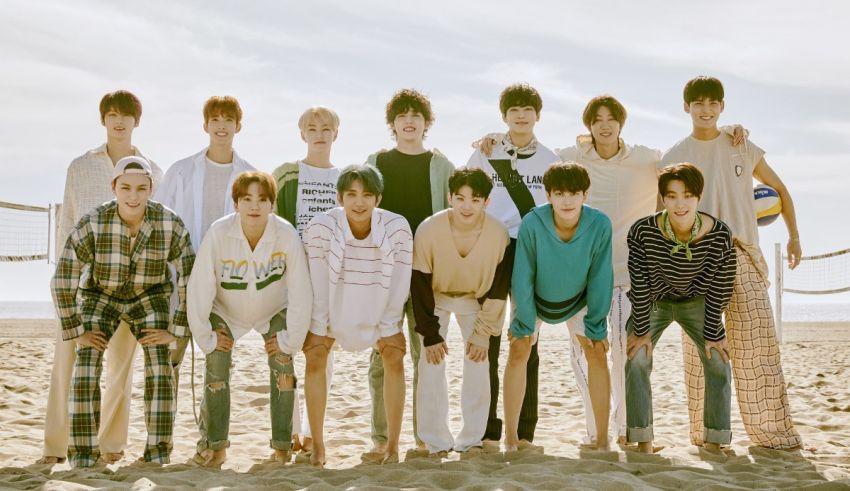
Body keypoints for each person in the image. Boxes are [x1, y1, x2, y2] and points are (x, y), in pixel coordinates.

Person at [475, 95, 745, 447]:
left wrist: (719, 130)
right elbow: (526, 144)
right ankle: (590, 432)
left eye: (611, 119)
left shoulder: (646, 159)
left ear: (621, 123)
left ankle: (621, 430)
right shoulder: (568, 159)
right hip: (567, 276)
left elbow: (686, 159)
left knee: (619, 351)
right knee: (574, 359)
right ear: (588, 125)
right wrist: (495, 139)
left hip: (622, 272)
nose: (604, 125)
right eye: (597, 119)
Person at [662, 76, 803, 449]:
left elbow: (782, 190)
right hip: (694, 257)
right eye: (698, 103)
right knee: (700, 352)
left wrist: (794, 235)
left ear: (722, 107)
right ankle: (709, 436)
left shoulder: (740, 144)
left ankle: (774, 436)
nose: (706, 110)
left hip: (741, 251)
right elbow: (661, 213)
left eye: (713, 103)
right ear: (686, 108)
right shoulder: (675, 154)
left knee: (758, 345)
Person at [40, 90, 164, 465]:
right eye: (112, 114)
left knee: (120, 369)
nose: (119, 121)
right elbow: (66, 224)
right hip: (84, 282)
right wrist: (67, 281)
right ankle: (56, 447)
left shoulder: (152, 169)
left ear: (136, 121)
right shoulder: (80, 165)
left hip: (130, 284)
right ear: (104, 120)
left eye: (126, 115)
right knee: (68, 363)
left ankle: (111, 445)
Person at [51, 156, 194, 467]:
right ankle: (84, 456)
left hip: (149, 295)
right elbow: (63, 277)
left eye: (142, 189)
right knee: (86, 365)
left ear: (151, 190)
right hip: (101, 295)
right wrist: (77, 330)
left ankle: (157, 453)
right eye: (126, 188)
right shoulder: (93, 221)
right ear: (114, 187)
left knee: (160, 362)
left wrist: (177, 328)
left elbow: (189, 279)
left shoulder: (170, 223)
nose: (134, 196)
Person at [187, 171, 312, 468]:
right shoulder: (219, 232)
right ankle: (215, 446)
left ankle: (282, 446)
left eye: (262, 199)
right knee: (217, 366)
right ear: (236, 204)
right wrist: (206, 336)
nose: (254, 206)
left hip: (272, 309)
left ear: (272, 205)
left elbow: (300, 291)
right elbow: (200, 286)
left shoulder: (286, 234)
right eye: (247, 199)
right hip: (226, 310)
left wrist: (289, 340)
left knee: (284, 367)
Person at [466, 83, 559, 450]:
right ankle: (486, 430)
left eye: (528, 109)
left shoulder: (551, 158)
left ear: (537, 114)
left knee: (526, 342)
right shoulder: (486, 152)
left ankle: (523, 433)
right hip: (491, 248)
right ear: (504, 115)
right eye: (514, 110)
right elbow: (466, 195)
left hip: (531, 252)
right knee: (485, 339)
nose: (521, 115)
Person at [302, 164, 412, 467]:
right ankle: (318, 447)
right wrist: (320, 326)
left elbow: (401, 280)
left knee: (393, 355)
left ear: (378, 199)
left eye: (366, 194)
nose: (359, 202)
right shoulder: (321, 227)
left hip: (377, 304)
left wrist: (389, 325)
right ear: (339, 198)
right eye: (351, 194)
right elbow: (318, 280)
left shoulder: (397, 227)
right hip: (334, 303)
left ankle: (391, 446)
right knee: (314, 355)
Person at [365, 88, 454, 454]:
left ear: (426, 122)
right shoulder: (376, 161)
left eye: (416, 115)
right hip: (383, 272)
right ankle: (382, 438)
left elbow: (453, 217)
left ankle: (425, 436)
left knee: (426, 355)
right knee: (382, 356)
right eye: (401, 115)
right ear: (393, 123)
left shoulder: (441, 165)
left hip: (425, 272)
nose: (409, 121)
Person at [625, 163, 735, 453]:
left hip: (698, 302)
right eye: (672, 196)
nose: (680, 203)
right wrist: (641, 330)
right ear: (662, 199)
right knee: (636, 357)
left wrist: (713, 331)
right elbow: (639, 282)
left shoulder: (720, 234)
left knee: (717, 358)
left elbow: (720, 288)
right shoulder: (642, 231)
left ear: (698, 197)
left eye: (687, 195)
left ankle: (715, 440)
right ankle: (644, 441)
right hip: (655, 301)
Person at [506, 161, 613, 451]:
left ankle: (602, 439)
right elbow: (523, 275)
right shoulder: (532, 222)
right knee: (518, 349)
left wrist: (597, 324)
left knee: (598, 353)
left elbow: (601, 274)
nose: (567, 200)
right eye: (559, 193)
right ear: (549, 196)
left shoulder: (600, 223)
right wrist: (525, 324)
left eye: (574, 193)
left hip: (578, 299)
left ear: (585, 195)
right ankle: (512, 439)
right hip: (535, 299)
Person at [154, 95, 255, 397]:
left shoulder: (250, 175)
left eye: (227, 120)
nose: (221, 126)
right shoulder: (181, 171)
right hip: (179, 278)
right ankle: (162, 438)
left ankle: (210, 441)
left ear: (238, 125)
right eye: (215, 120)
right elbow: (158, 220)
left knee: (219, 361)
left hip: (225, 281)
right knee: (169, 360)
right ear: (205, 125)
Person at [411, 168, 511, 456]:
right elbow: (419, 284)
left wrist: (483, 334)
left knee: (479, 364)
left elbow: (498, 289)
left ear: (486, 203)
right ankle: (436, 441)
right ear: (449, 197)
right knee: (430, 365)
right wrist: (430, 334)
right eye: (460, 198)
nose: (467, 206)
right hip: (436, 298)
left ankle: (471, 439)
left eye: (476, 199)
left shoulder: (498, 234)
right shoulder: (429, 230)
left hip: (476, 301)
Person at [271, 106, 341, 455]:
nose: (318, 133)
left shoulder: (345, 178)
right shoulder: (286, 173)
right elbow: (276, 223)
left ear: (335, 134)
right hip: (290, 276)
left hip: (329, 279)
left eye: (325, 128)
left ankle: (314, 431)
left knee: (322, 359)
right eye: (311, 128)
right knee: (286, 355)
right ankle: (289, 432)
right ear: (302, 134)